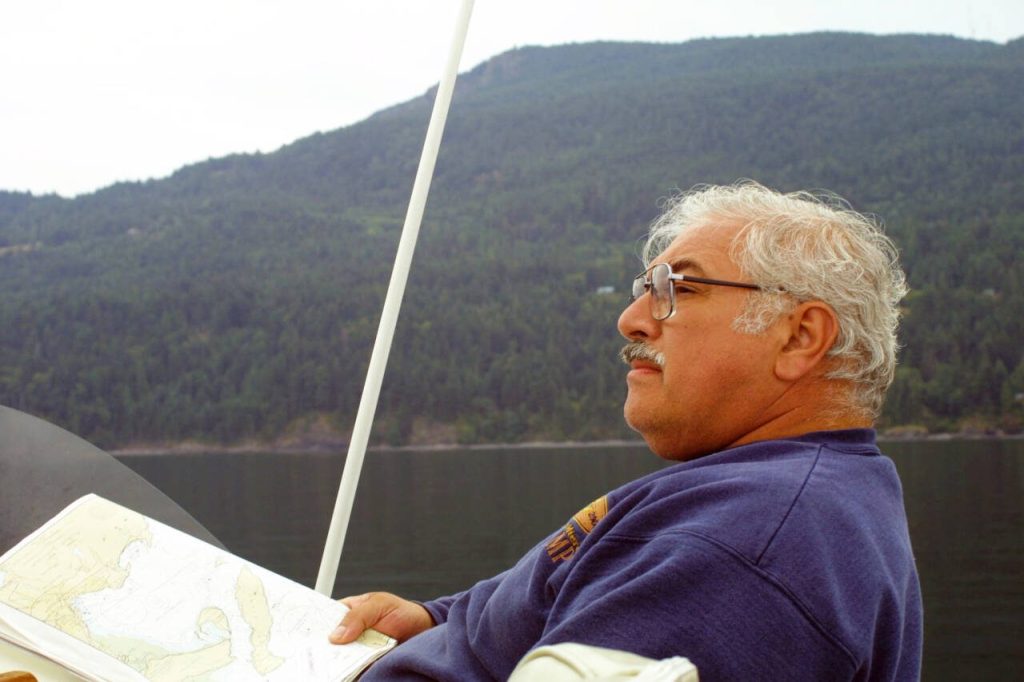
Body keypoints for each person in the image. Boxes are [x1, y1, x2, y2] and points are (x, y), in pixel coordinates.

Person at [330, 181, 923, 680]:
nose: (632, 319)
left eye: (679, 288)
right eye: (645, 288)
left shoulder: (745, 549)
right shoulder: (767, 498)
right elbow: (557, 597)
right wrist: (433, 622)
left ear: (799, 337)